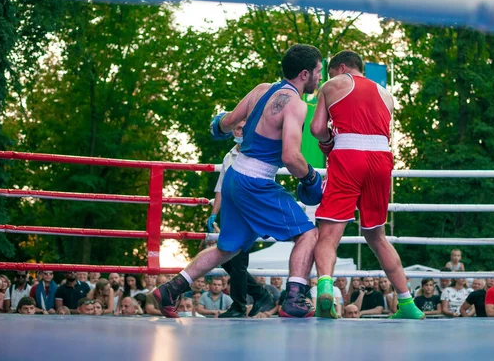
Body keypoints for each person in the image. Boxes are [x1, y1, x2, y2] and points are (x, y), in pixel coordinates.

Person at [153, 44, 324, 318]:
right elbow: (291, 157)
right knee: (308, 233)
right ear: (305, 74)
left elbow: (226, 123)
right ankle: (294, 297)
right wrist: (312, 177)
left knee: (226, 249)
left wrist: (216, 124)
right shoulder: (296, 105)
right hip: (256, 181)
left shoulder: (260, 89)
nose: (319, 77)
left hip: (234, 174)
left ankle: (171, 289)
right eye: (317, 72)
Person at [310, 50, 424, 320]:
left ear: (340, 68)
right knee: (377, 236)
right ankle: (407, 304)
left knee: (328, 234)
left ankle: (325, 287)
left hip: (349, 155)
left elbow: (317, 129)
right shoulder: (387, 95)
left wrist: (328, 143)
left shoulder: (333, 85)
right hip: (381, 159)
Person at [207, 120, 274, 318]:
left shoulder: (256, 153)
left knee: (237, 261)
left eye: (244, 128)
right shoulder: (229, 156)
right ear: (232, 132)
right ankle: (260, 293)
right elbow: (220, 186)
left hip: (248, 211)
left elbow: (266, 183)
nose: (240, 132)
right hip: (230, 212)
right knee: (226, 259)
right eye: (237, 128)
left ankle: (239, 305)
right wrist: (213, 212)